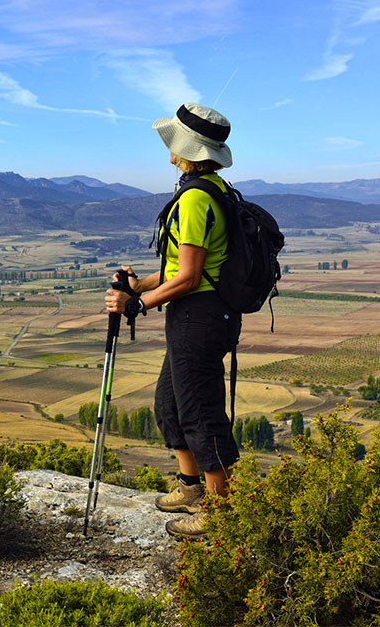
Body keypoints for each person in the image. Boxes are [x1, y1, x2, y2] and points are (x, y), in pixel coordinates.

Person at [104, 102, 241, 539]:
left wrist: (137, 306)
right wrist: (138, 285)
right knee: (170, 404)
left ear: (188, 149)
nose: (169, 148)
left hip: (200, 319)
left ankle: (220, 512)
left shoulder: (197, 198)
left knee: (200, 411)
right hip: (196, 318)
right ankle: (190, 487)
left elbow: (189, 277)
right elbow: (182, 268)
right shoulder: (208, 188)